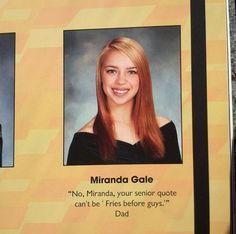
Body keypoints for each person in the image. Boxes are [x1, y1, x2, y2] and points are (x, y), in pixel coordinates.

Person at [67, 37, 181, 165]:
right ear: (100, 76)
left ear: (143, 77)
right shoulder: (83, 143)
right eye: (112, 71)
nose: (121, 80)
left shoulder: (165, 129)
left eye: (132, 72)